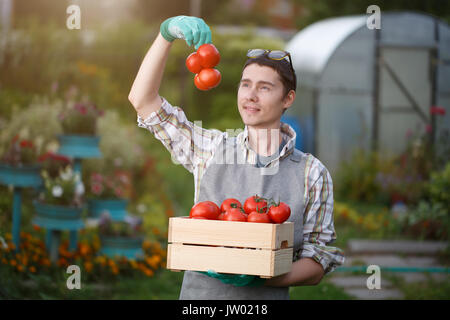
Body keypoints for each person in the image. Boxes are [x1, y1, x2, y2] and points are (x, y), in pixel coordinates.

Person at [128, 16, 345, 300]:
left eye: (264, 87)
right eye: (246, 84)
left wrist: (261, 278)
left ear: (288, 98)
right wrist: (165, 35)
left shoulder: (312, 173)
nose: (251, 96)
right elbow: (143, 101)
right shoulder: (210, 148)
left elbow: (318, 260)